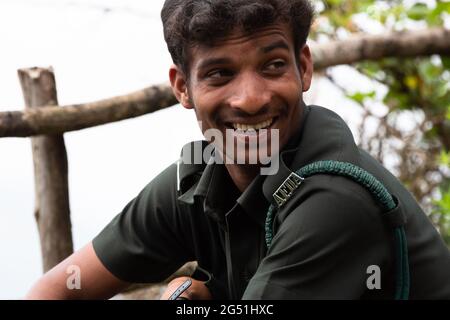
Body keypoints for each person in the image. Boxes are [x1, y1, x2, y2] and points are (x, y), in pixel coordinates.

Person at [26, 0, 450, 300]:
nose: (250, 98)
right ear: (182, 87)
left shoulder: (336, 199)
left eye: (272, 66)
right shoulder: (197, 180)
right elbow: (58, 288)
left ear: (303, 68)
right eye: (219, 73)